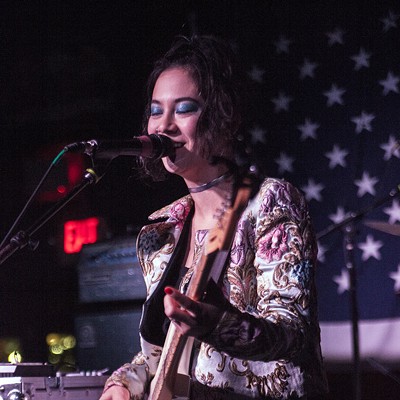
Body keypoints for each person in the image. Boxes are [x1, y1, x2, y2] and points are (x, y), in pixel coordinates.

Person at [99, 35, 328, 400]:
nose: (163, 126)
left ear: (223, 116)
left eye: (184, 108)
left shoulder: (269, 201)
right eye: (156, 110)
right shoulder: (160, 230)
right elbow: (165, 352)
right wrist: (125, 381)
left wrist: (215, 323)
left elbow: (291, 334)